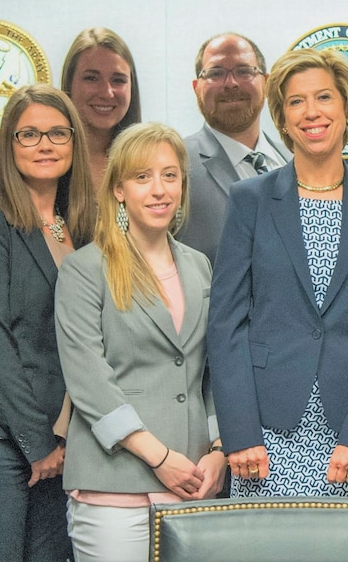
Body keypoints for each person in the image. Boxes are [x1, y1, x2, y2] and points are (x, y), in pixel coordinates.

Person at [207, 48, 348, 498]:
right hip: (263, 434)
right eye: (296, 101)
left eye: (324, 97)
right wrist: (239, 433)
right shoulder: (250, 201)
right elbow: (225, 323)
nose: (311, 112)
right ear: (281, 117)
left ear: (347, 108)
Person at [56, 123, 227, 560]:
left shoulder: (199, 266)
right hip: (114, 482)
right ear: (118, 189)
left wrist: (219, 450)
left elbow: (210, 373)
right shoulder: (85, 269)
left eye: (170, 176)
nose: (159, 190)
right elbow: (89, 380)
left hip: (192, 480)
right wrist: (157, 456)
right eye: (142, 177)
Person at [0, 84, 95, 561]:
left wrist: (60, 439)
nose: (45, 144)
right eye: (29, 134)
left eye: (57, 133)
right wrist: (37, 441)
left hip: (60, 442)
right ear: (8, 144)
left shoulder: (84, 229)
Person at [181, 32, 291, 259]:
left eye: (244, 71)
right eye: (216, 73)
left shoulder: (296, 158)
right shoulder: (176, 164)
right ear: (196, 87)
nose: (231, 83)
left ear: (266, 81)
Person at [61, 27, 141, 186]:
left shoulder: (148, 160)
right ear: (69, 83)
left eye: (118, 80)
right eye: (91, 78)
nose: (107, 93)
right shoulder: (47, 161)